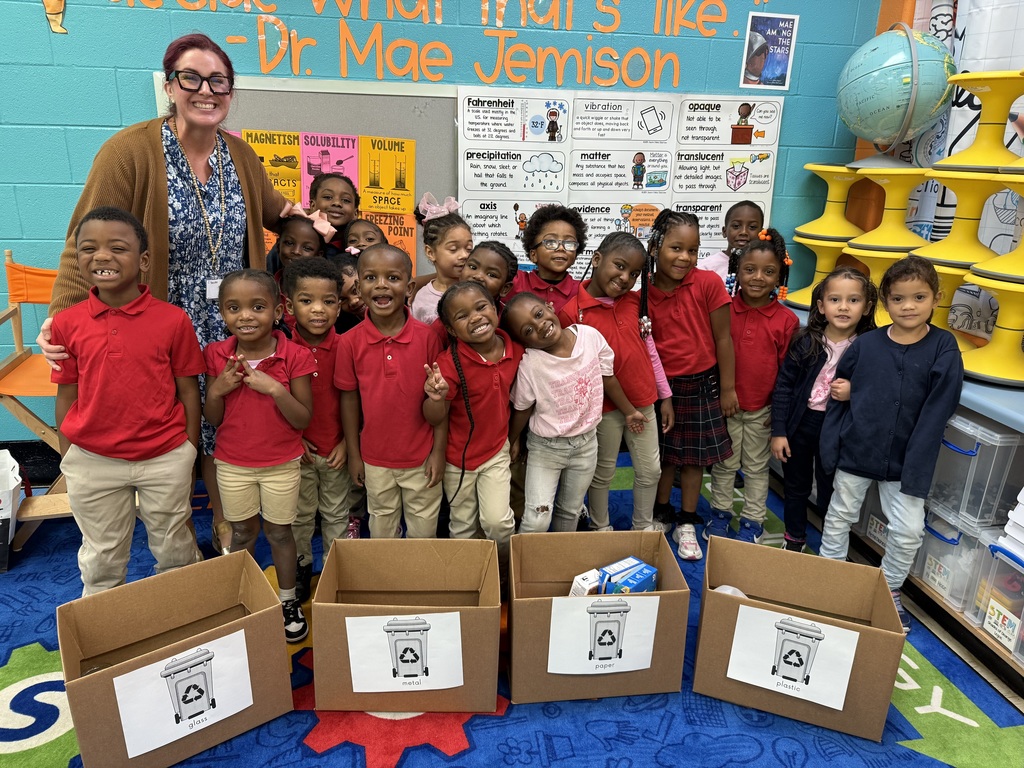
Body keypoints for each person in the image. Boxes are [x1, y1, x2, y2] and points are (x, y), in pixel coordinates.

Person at [41, 33, 293, 556]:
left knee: (227, 421)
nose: (206, 90)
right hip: (159, 324)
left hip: (231, 320)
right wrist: (62, 321)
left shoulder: (241, 156)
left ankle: (228, 533)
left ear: (230, 90)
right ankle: (174, 533)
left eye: (218, 80)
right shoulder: (129, 152)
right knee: (179, 427)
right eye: (191, 78)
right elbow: (83, 242)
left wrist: (316, 218)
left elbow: (276, 209)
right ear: (170, 86)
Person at [51, 206, 204, 596]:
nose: (102, 256)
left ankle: (184, 619)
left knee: (175, 548)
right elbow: (66, 391)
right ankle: (105, 633)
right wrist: (68, 454)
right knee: (102, 557)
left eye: (117, 247)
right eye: (89, 248)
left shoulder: (173, 320)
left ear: (144, 260)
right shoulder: (67, 323)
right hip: (93, 461)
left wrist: (188, 449)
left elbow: (188, 388)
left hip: (164, 456)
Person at [819, 255, 964, 633]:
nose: (909, 306)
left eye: (919, 297)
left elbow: (939, 407)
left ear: (936, 298)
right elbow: (839, 391)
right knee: (839, 517)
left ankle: (889, 588)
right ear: (884, 302)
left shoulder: (943, 346)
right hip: (858, 450)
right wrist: (834, 440)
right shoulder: (866, 344)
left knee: (908, 530)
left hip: (907, 461)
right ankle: (830, 576)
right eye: (898, 299)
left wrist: (916, 464)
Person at [203, 270, 315, 643]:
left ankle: (287, 601)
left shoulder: (294, 355)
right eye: (234, 308)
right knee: (242, 532)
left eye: (257, 307)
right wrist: (217, 390)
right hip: (233, 464)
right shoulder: (216, 354)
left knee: (280, 533)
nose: (246, 316)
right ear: (222, 313)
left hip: (281, 463)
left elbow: (302, 419)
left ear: (279, 310)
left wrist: (276, 390)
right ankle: (242, 597)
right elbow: (213, 419)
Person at [557, 233, 676, 539]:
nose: (625, 278)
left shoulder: (636, 302)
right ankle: (600, 528)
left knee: (651, 470)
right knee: (602, 473)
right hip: (604, 410)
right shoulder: (574, 312)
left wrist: (665, 396)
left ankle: (643, 527)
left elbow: (651, 351)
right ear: (597, 260)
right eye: (619, 266)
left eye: (634, 274)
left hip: (644, 404)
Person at [505, 292, 646, 534]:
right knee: (538, 517)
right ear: (523, 341)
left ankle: (560, 561)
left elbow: (608, 377)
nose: (540, 326)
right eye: (528, 330)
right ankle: (523, 567)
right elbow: (522, 408)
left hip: (586, 445)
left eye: (539, 314)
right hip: (546, 449)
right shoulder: (531, 363)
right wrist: (514, 439)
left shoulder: (589, 336)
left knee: (569, 512)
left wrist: (630, 411)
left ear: (549, 307)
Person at [336, 244, 446, 539]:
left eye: (393, 278)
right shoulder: (348, 343)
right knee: (382, 531)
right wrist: (354, 455)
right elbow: (348, 400)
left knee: (423, 534)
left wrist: (438, 452)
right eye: (371, 278)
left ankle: (418, 584)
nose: (382, 285)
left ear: (409, 287)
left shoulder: (428, 338)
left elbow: (439, 398)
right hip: (374, 459)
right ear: (359, 287)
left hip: (421, 459)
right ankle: (388, 583)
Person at [647, 210, 737, 557]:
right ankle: (660, 512)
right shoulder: (644, 294)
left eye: (693, 250)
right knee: (665, 457)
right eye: (676, 248)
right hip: (664, 389)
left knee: (695, 459)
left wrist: (727, 388)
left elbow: (724, 339)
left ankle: (687, 520)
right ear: (655, 247)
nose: (685, 257)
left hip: (702, 385)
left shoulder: (708, 284)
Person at [771, 266, 877, 553]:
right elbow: (783, 388)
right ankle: (794, 536)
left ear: (867, 307)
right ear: (821, 305)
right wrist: (779, 431)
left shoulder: (871, 347)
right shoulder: (806, 341)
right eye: (835, 300)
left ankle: (831, 540)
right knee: (796, 485)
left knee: (832, 488)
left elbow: (879, 390)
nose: (843, 307)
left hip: (839, 429)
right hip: (801, 424)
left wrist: (854, 392)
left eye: (853, 300)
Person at [423, 282, 523, 579]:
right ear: (452, 330)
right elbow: (433, 417)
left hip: (495, 452)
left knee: (497, 522)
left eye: (481, 307)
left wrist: (513, 439)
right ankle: (466, 579)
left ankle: (503, 575)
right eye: (462, 316)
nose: (476, 317)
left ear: (495, 308)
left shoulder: (515, 349)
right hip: (458, 460)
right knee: (463, 524)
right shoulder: (447, 364)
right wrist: (435, 397)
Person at [706, 228, 798, 544]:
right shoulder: (724, 310)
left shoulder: (787, 321)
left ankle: (752, 522)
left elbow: (788, 373)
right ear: (736, 272)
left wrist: (779, 413)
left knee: (757, 470)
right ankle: (719, 515)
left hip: (763, 411)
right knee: (723, 466)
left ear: (779, 277)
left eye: (768, 271)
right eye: (749, 269)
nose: (758, 277)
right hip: (725, 407)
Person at [282, 257, 351, 603]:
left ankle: (334, 575)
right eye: (307, 301)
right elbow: (274, 405)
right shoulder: (281, 350)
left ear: (340, 305)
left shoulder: (349, 347)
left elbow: (361, 401)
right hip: (300, 453)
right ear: (289, 305)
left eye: (328, 301)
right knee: (300, 517)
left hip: (337, 450)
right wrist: (295, 441)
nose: (318, 310)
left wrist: (348, 443)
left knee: (338, 514)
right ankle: (300, 571)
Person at [507, 204, 586, 314]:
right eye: (550, 242)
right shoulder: (515, 282)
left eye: (569, 243)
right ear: (533, 254)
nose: (561, 248)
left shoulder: (583, 291)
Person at [410, 194, 473, 325]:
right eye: (453, 249)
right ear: (430, 252)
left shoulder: (475, 289)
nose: (464, 255)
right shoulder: (422, 299)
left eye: (468, 248)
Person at [699, 200, 764, 282]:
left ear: (761, 233)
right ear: (724, 231)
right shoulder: (707, 267)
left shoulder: (764, 267)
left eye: (752, 227)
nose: (743, 232)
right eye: (736, 226)